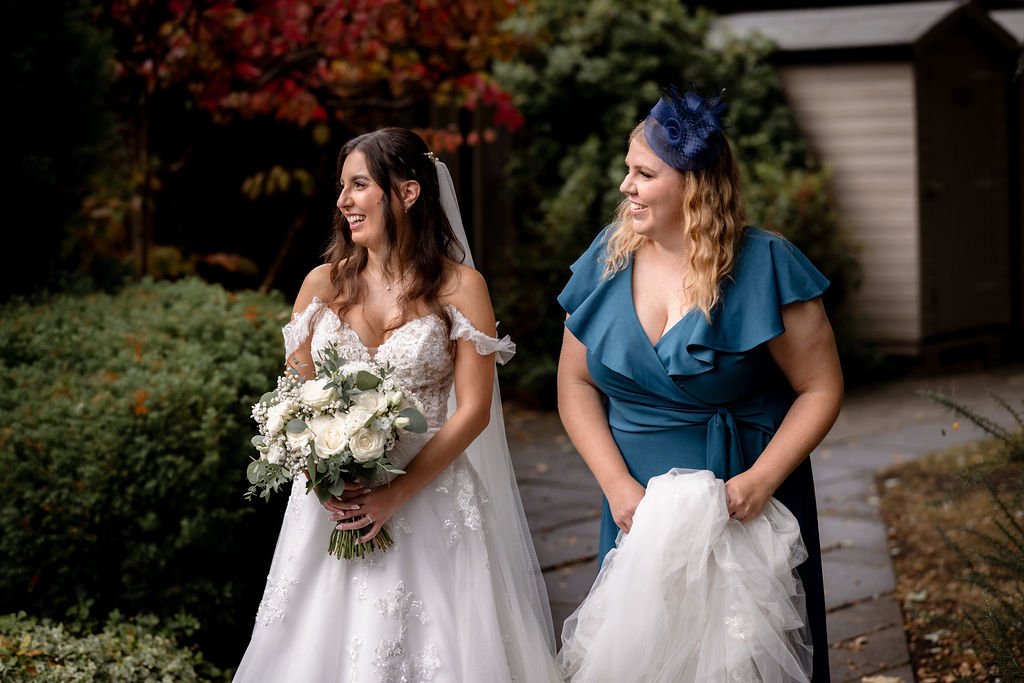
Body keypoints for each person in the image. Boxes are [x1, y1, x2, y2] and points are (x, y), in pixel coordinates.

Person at [234, 127, 561, 682]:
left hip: (431, 499)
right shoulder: (320, 285)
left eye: (359, 185)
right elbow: (296, 399)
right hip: (334, 506)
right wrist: (327, 479)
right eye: (342, 187)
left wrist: (398, 492)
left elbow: (474, 410)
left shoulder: (462, 287)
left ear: (407, 193)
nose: (343, 201)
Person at [555, 88, 843, 681]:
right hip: (636, 504)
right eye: (626, 171)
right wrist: (616, 487)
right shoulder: (606, 260)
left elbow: (820, 388)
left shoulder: (766, 264)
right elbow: (575, 384)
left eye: (642, 172)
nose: (624, 187)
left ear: (693, 183)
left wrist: (759, 483)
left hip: (743, 501)